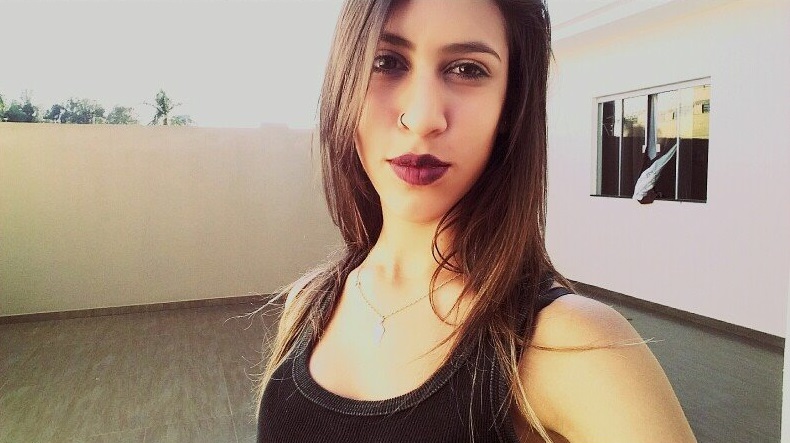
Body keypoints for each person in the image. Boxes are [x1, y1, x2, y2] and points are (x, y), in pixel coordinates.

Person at [255, 0, 697, 442]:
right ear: (342, 84)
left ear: (510, 107)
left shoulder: (570, 344)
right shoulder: (307, 304)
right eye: (385, 62)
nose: (423, 118)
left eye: (467, 69)